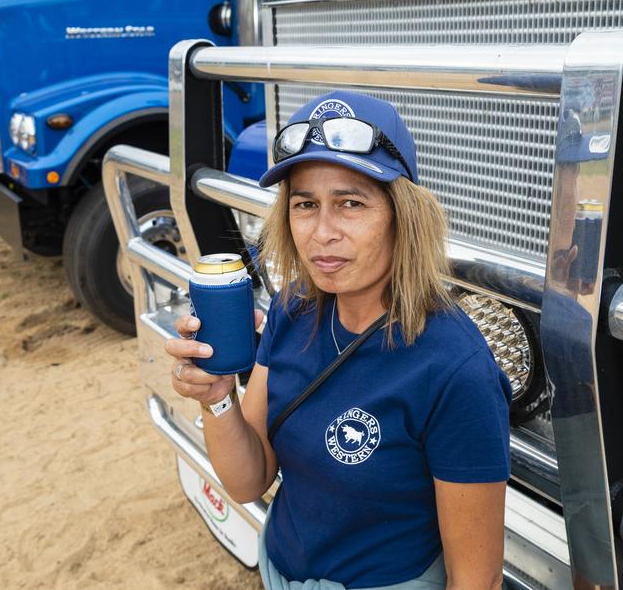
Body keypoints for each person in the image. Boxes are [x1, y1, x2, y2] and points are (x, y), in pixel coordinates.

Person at [166, 90, 511, 590]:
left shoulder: (453, 369)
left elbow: (476, 581)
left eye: (351, 203)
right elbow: (248, 480)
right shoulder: (293, 309)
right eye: (305, 204)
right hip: (278, 569)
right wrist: (218, 400)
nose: (322, 233)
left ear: (402, 214)